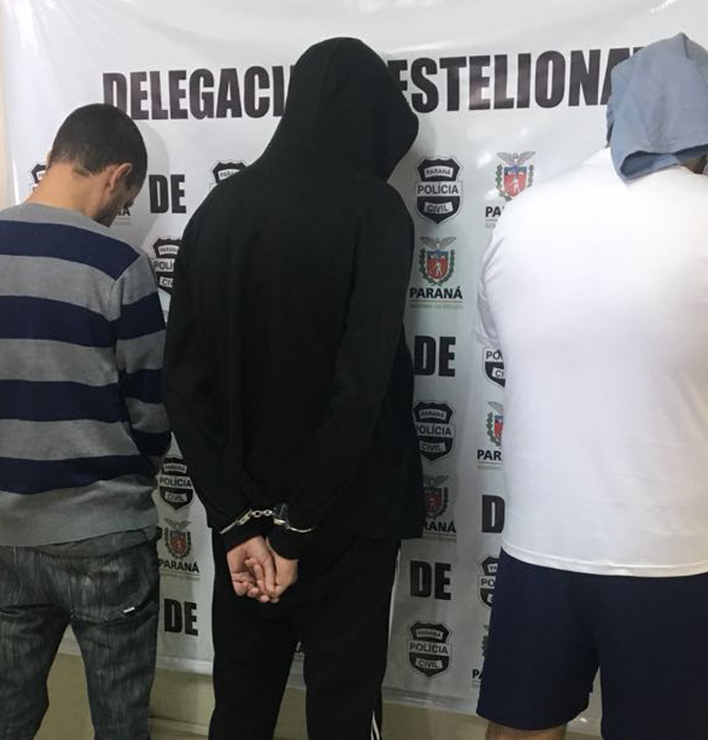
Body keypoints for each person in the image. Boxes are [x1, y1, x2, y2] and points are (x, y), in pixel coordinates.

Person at [474, 34, 708, 740]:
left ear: (612, 114)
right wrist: (686, 468)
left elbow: (509, 354)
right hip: (669, 553)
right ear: (706, 122)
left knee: (519, 729)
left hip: (539, 544)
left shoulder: (522, 216)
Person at [161, 37, 423, 740]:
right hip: (348, 520)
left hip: (245, 525)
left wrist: (237, 520)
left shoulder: (218, 211)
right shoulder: (376, 211)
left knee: (240, 712)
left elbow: (181, 383)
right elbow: (360, 387)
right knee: (343, 715)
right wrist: (297, 528)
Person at [0, 103, 168, 740]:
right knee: (120, 722)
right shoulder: (118, 265)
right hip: (106, 530)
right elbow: (152, 408)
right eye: (124, 201)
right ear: (115, 174)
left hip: (12, 531)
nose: (119, 214)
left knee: (7, 710)